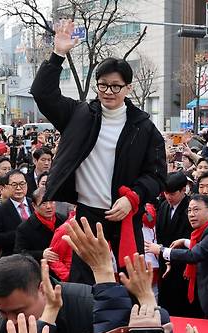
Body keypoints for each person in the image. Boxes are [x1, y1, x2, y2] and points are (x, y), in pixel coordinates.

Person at [30, 20, 166, 284]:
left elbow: (157, 175)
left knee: (130, 285)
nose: (108, 92)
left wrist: (133, 197)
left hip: (126, 216)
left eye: (116, 86)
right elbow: (42, 93)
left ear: (129, 88)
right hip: (88, 216)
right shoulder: (79, 114)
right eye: (102, 85)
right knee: (86, 285)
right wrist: (58, 55)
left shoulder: (144, 127)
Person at [146, 195, 208, 322]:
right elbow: (203, 247)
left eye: (196, 210)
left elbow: (195, 255)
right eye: (189, 210)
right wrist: (186, 242)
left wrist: (162, 251)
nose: (191, 214)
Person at [0, 254, 93, 333]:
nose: (11, 321)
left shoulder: (88, 306)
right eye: (2, 312)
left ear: (42, 290)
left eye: (18, 312)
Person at [154, 172, 201, 318]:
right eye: (166, 193)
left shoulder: (191, 209)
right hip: (165, 265)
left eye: (172, 193)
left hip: (183, 267)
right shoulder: (163, 206)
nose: (168, 197)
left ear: (183, 190)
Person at [0, 170, 32, 257]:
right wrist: (19, 234)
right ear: (6, 187)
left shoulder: (34, 204)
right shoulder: (0, 210)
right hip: (12, 259)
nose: (18, 188)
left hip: (36, 257)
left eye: (22, 184)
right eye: (14, 185)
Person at [14, 188, 66, 262]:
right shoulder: (24, 228)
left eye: (51, 202)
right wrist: (41, 255)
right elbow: (19, 253)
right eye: (43, 203)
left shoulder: (63, 220)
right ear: (34, 205)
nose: (49, 206)